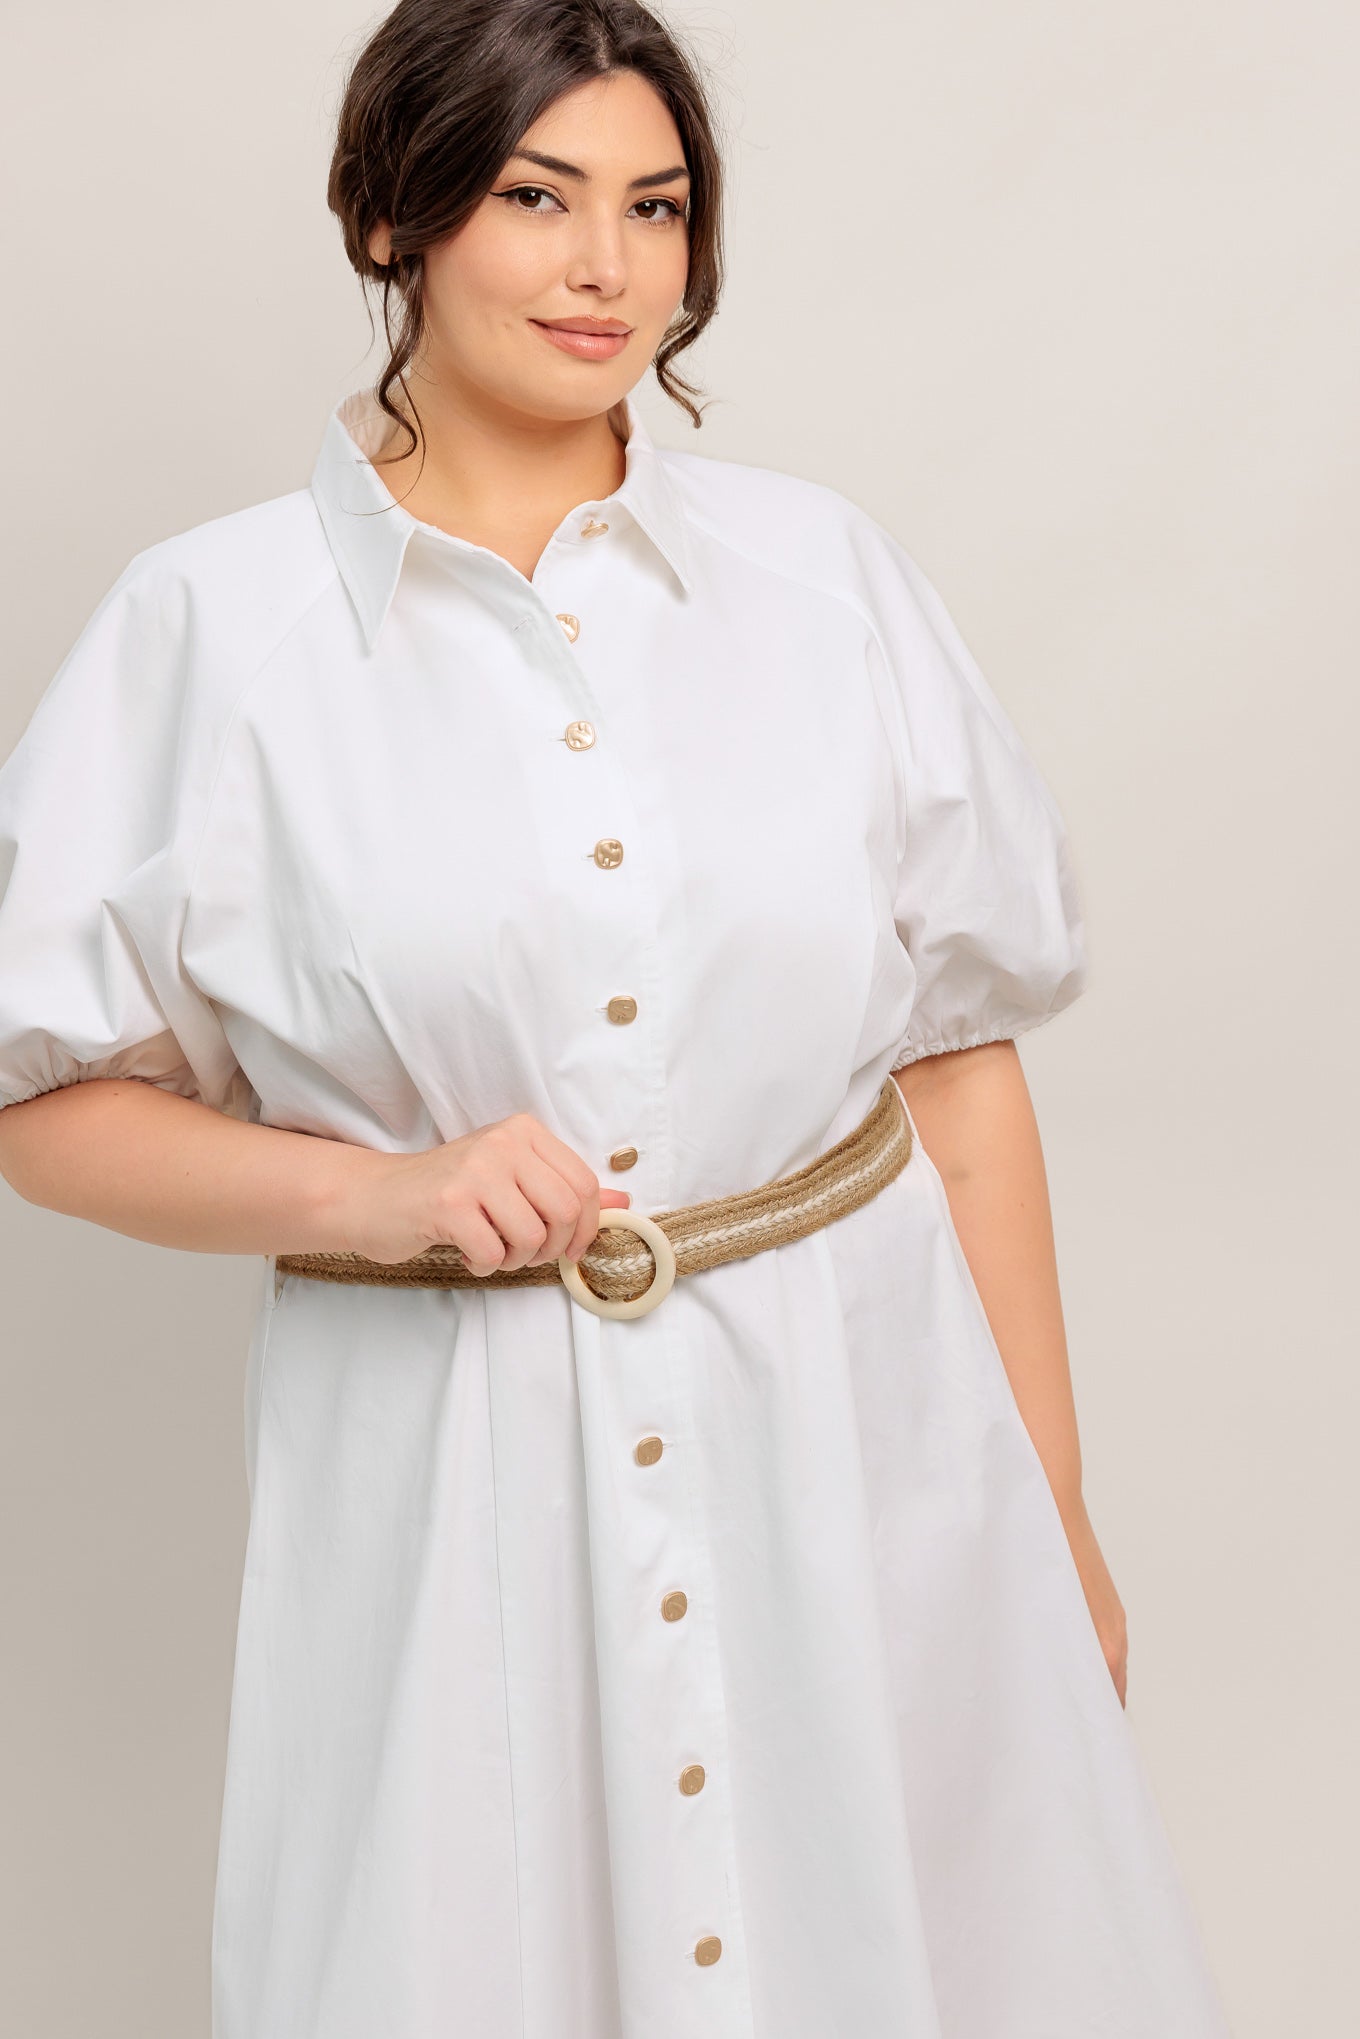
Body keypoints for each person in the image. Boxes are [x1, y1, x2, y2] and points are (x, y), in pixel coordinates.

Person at [0, 1, 1234, 2033]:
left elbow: (955, 1073)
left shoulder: (824, 580)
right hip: (451, 1497)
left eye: (655, 208)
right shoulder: (210, 633)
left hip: (866, 1461)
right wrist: (373, 1193)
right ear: (387, 217)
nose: (607, 269)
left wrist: (1055, 1527)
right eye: (534, 197)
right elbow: (41, 1103)